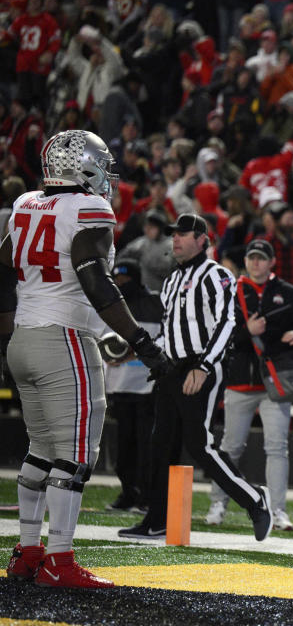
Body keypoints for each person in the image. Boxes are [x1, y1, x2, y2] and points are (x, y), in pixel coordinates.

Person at [1, 130, 169, 588]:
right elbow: (95, 280)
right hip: (64, 338)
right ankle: (59, 559)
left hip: (23, 339)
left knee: (39, 451)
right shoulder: (88, 207)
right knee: (75, 456)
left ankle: (28, 550)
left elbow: (2, 273)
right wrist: (140, 339)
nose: (109, 175)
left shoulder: (24, 204)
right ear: (86, 167)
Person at [118, 214, 273, 542]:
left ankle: (255, 500)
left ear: (203, 239)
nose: (175, 240)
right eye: (174, 235)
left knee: (199, 445)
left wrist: (203, 366)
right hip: (172, 367)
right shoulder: (172, 280)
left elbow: (227, 323)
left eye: (184, 234)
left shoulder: (216, 275)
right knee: (160, 445)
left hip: (201, 365)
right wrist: (150, 356)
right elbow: (171, 331)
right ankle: (157, 519)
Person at [205, 239, 293, 532]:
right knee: (231, 447)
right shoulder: (232, 291)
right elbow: (217, 333)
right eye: (252, 257)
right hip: (240, 382)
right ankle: (217, 505)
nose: (256, 262)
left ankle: (277, 510)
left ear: (272, 262)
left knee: (277, 447)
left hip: (274, 384)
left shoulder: (286, 292)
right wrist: (246, 332)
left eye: (261, 258)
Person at [103, 259, 164, 513]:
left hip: (148, 386)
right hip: (120, 386)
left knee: (146, 445)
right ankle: (128, 493)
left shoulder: (155, 303)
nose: (120, 284)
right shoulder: (110, 305)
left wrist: (132, 355)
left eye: (125, 280)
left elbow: (166, 337)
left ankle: (146, 497)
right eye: (117, 279)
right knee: (124, 446)